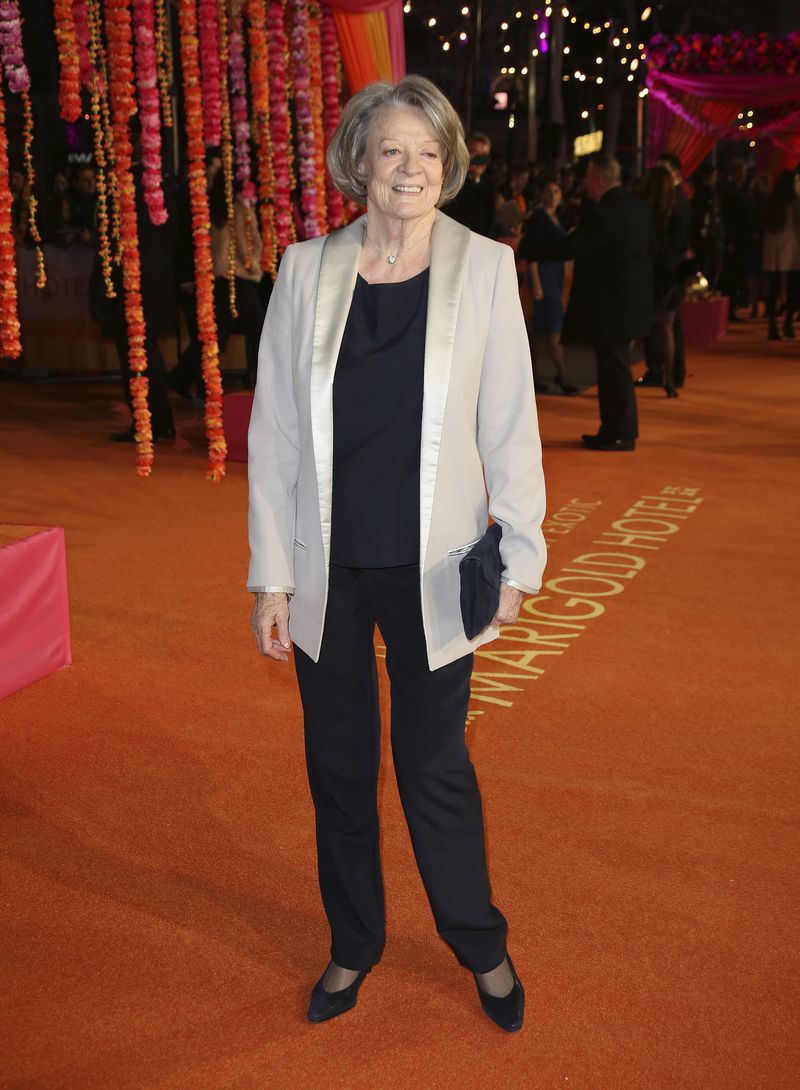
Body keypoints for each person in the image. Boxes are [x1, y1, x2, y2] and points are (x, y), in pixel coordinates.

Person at [247, 75, 546, 1031]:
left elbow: (512, 429)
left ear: (448, 165)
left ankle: (480, 944)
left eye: (427, 152)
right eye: (390, 151)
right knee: (337, 769)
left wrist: (522, 560)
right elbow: (277, 436)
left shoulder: (488, 267)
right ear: (359, 164)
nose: (409, 169)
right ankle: (353, 945)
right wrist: (272, 576)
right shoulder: (305, 269)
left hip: (437, 568)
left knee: (432, 767)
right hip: (328, 568)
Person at [523, 153, 652, 450]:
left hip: (611, 304)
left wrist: (529, 248)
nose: (584, 184)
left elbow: (575, 246)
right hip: (632, 299)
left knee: (613, 368)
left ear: (597, 180)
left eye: (587, 178)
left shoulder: (603, 211)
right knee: (614, 366)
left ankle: (618, 433)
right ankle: (616, 430)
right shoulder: (638, 207)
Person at [518, 177, 578, 394]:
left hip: (555, 275)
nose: (553, 196)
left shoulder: (555, 218)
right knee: (552, 329)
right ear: (541, 194)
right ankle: (563, 374)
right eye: (549, 191)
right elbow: (532, 252)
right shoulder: (538, 218)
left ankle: (532, 377)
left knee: (542, 332)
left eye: (557, 191)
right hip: (543, 275)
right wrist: (536, 283)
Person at [209, 171, 266, 387]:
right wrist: (253, 266)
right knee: (259, 329)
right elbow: (245, 242)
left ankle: (205, 385)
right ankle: (258, 381)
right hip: (239, 276)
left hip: (219, 275)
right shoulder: (239, 206)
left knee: (220, 335)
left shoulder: (214, 206)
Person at [637, 165, 686, 397]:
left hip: (648, 275)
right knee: (667, 328)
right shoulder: (675, 212)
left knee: (643, 328)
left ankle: (654, 370)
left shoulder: (643, 211)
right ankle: (669, 378)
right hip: (670, 276)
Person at [762, 169, 800, 341]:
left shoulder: (770, 202)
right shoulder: (795, 202)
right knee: (793, 289)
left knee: (774, 289)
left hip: (772, 248)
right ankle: (788, 323)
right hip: (792, 247)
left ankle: (772, 326)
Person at [441, 130, 495, 236]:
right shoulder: (450, 184)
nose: (479, 159)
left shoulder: (489, 188)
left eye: (484, 155)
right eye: (473, 152)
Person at [690, 164, 725, 291]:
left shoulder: (709, 194)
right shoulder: (705, 195)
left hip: (709, 239)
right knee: (707, 269)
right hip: (707, 241)